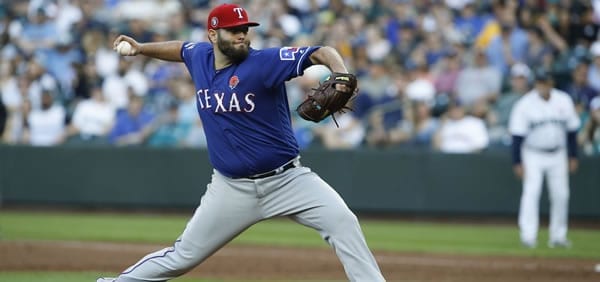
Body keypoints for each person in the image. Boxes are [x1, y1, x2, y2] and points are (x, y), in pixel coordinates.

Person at [97, 3, 385, 282]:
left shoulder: (264, 62)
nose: (242, 35)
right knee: (183, 256)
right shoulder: (200, 57)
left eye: (245, 29)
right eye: (233, 30)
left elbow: (321, 52)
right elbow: (181, 49)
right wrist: (141, 48)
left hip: (289, 181)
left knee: (343, 223)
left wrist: (340, 72)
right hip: (231, 188)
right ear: (213, 36)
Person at [508, 70, 580, 248]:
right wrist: (517, 161)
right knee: (531, 193)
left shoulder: (563, 100)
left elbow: (572, 131)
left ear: (551, 83)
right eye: (539, 82)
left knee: (561, 195)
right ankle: (528, 235)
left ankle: (558, 236)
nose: (542, 86)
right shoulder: (525, 104)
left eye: (545, 82)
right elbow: (517, 136)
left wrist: (573, 156)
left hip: (558, 153)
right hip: (533, 153)